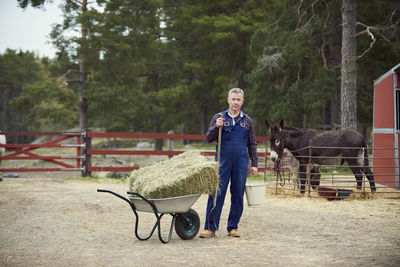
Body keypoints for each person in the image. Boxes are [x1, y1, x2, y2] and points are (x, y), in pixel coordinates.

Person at [199, 88, 258, 238]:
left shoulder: (247, 121)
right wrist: (215, 127)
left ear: (242, 101)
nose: (236, 102)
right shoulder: (219, 117)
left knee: (237, 194)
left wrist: (255, 164)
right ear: (228, 100)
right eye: (233, 99)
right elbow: (209, 138)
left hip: (240, 164)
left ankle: (233, 227)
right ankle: (210, 227)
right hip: (222, 163)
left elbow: (252, 144)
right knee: (216, 193)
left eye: (239, 100)